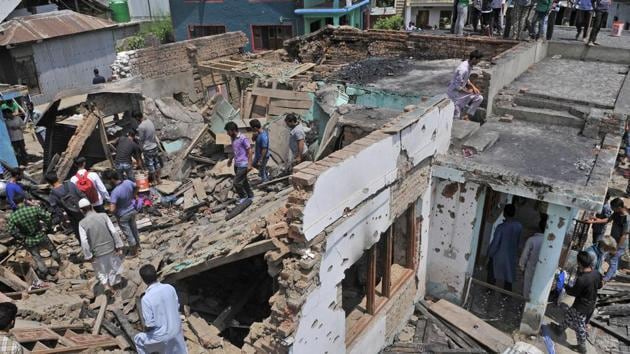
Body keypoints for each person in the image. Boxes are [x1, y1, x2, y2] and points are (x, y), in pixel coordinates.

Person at [551, 251, 602, 353]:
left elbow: (573, 292)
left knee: (580, 326)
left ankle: (582, 347)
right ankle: (560, 329)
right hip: (591, 303)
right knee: (569, 315)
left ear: (579, 263)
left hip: (581, 306)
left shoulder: (582, 279)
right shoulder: (596, 273)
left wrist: (565, 285)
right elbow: (600, 285)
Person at [134, 264, 187, 354]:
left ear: (143, 280)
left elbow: (150, 324)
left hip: (163, 336)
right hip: (177, 331)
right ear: (156, 274)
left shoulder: (146, 299)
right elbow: (176, 307)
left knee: (138, 339)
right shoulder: (170, 288)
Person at [7, 194, 60, 279]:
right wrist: (48, 227)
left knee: (37, 258)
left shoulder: (13, 216)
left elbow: (10, 230)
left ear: (15, 203)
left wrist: (21, 237)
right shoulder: (34, 209)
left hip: (28, 239)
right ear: (24, 200)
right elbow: (47, 216)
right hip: (41, 235)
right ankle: (59, 264)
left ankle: (47, 275)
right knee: (52, 249)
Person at [78, 198, 124, 293]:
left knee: (100, 271)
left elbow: (84, 242)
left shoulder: (82, 223)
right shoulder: (103, 216)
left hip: (97, 252)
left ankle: (107, 286)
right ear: (91, 206)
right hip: (110, 248)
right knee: (114, 266)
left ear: (81, 210)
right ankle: (117, 287)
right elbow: (114, 231)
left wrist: (88, 255)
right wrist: (119, 245)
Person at [487, 204, 522, 291]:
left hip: (499, 255)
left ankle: (489, 290)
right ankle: (506, 294)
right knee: (509, 275)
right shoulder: (519, 226)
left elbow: (495, 244)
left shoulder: (501, 227)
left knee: (492, 272)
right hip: (511, 255)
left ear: (504, 213)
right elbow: (518, 241)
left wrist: (490, 254)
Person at [105, 170, 140, 255]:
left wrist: (109, 209)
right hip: (132, 210)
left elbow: (112, 209)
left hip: (122, 215)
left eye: (107, 181)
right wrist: (134, 195)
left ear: (111, 179)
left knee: (128, 234)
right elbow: (137, 187)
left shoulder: (115, 192)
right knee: (134, 229)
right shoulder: (128, 182)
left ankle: (134, 252)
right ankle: (138, 246)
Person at [46, 171, 86, 240]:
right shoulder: (70, 184)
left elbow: (58, 212)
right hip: (84, 211)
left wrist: (64, 221)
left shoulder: (52, 195)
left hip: (72, 217)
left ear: (48, 182)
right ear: (57, 177)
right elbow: (82, 195)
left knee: (81, 236)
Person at [447, 50, 484, 121]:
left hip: (461, 92)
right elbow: (456, 86)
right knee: (456, 115)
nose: (479, 62)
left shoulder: (469, 65)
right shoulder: (463, 69)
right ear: (474, 59)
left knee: (479, 97)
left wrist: (473, 87)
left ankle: (467, 115)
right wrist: (468, 91)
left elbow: (466, 79)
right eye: (478, 60)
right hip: (454, 95)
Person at [225, 122, 254, 204]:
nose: (227, 133)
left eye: (228, 131)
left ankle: (243, 197)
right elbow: (235, 151)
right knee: (244, 181)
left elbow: (250, 150)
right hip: (237, 164)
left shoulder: (242, 138)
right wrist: (230, 160)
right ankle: (250, 195)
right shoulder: (233, 138)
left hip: (243, 164)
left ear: (233, 130)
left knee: (236, 183)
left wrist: (250, 164)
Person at [518, 215, 547, 298]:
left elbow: (524, 255)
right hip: (543, 270)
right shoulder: (550, 243)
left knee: (527, 287)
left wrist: (522, 266)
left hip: (530, 268)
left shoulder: (532, 239)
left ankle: (525, 303)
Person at [604, 198, 629, 282]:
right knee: (610, 258)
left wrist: (617, 248)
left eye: (613, 208)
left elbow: (624, 236)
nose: (612, 209)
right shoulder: (616, 213)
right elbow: (608, 220)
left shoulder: (626, 219)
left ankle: (606, 279)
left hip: (620, 244)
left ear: (618, 207)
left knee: (613, 260)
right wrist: (597, 220)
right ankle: (613, 274)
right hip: (613, 241)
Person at [136, 112, 162, 185]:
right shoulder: (149, 121)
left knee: (150, 165)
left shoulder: (141, 127)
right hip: (154, 146)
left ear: (137, 118)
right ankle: (159, 179)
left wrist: (136, 137)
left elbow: (141, 138)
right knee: (157, 163)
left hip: (147, 148)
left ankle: (154, 181)